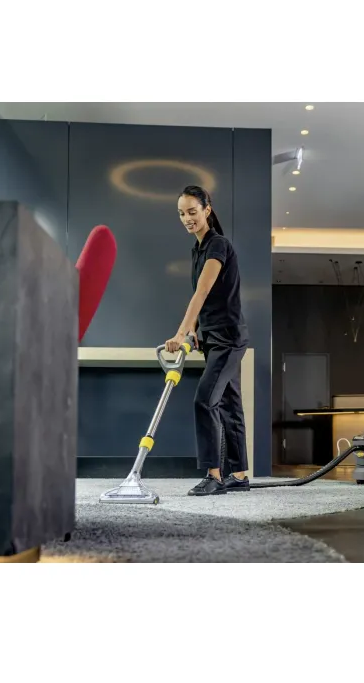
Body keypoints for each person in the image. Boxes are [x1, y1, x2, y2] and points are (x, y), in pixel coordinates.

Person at [165, 186, 250, 496]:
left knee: (205, 400)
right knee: (229, 404)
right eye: (181, 213)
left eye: (192, 211)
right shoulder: (198, 249)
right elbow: (209, 297)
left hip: (228, 337)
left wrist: (181, 333)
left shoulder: (218, 245)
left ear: (207, 210)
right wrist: (197, 329)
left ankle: (214, 475)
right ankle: (238, 475)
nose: (187, 218)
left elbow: (202, 290)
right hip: (214, 337)